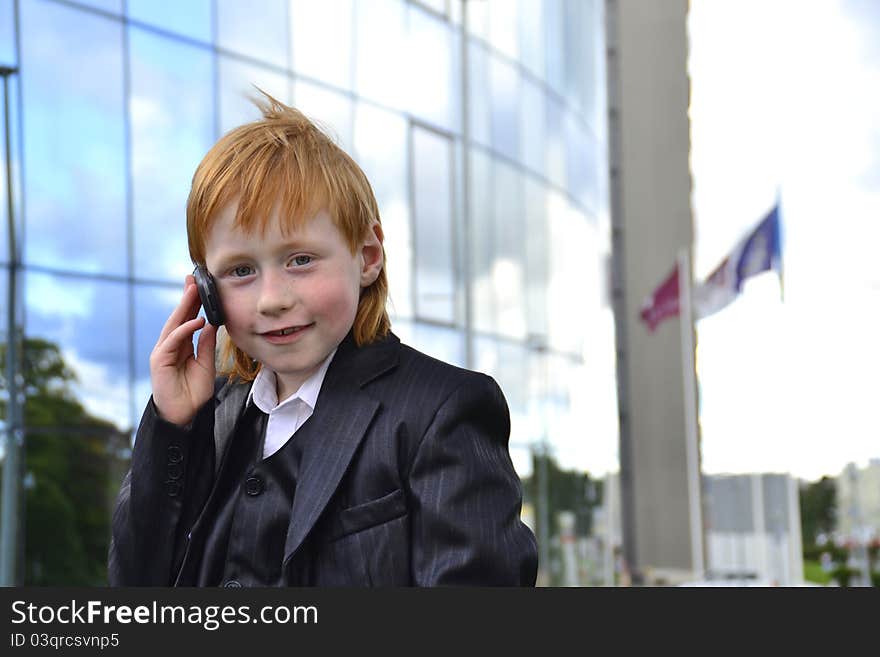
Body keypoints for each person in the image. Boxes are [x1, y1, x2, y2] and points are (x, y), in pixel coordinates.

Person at [108, 92, 538, 587]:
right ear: (205, 291)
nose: (272, 299)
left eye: (300, 260)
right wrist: (173, 428)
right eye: (240, 271)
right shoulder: (215, 417)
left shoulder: (441, 411)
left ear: (368, 256)